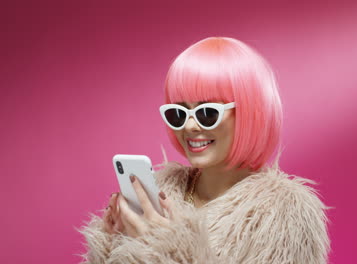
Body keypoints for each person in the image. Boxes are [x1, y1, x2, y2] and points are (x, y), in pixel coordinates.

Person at [79, 37, 331, 263]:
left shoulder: (284, 214)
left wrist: (171, 251)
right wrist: (113, 245)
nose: (189, 126)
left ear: (249, 113)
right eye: (178, 113)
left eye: (207, 112)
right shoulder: (161, 191)